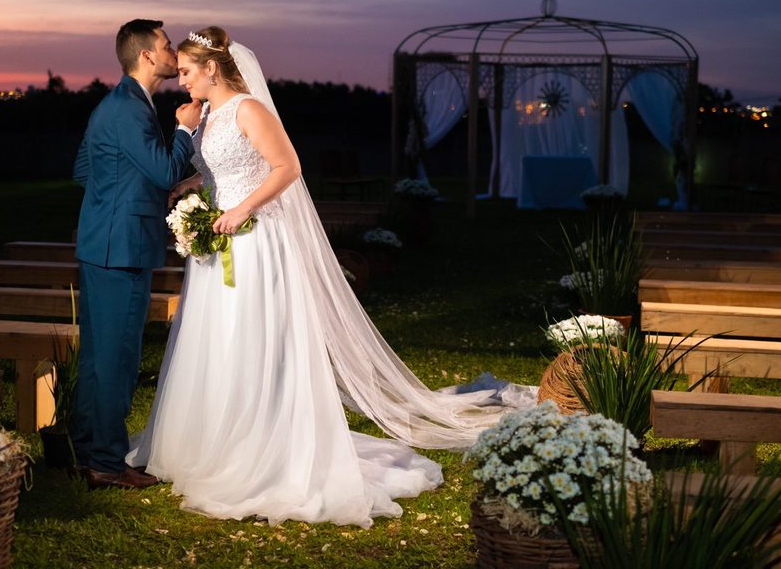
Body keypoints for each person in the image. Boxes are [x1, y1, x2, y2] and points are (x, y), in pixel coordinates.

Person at [127, 27, 534, 527]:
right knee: (216, 339)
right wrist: (195, 184)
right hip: (218, 246)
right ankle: (212, 439)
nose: (182, 79)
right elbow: (221, 171)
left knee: (254, 338)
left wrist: (241, 209)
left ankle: (265, 443)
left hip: (255, 241)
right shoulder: (207, 114)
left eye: (187, 71)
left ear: (212, 68)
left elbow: (286, 167)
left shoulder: (250, 109)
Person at [72, 19, 201, 490]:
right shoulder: (130, 108)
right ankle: (106, 463)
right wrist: (184, 129)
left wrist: (126, 196)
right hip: (120, 249)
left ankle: (84, 449)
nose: (173, 53)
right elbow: (166, 170)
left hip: (103, 242)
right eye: (167, 46)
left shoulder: (118, 103)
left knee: (98, 357)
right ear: (147, 55)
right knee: (117, 358)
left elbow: (85, 168)